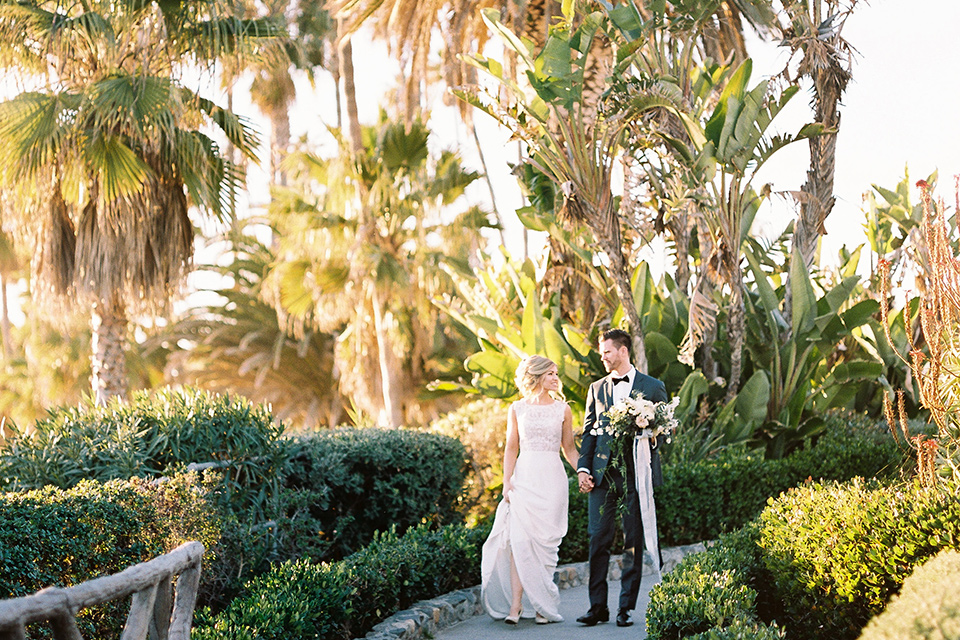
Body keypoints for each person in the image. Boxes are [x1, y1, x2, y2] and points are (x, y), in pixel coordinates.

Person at [576, 328, 667, 628]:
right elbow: (589, 431)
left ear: (623, 351)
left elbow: (665, 434)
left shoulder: (653, 387)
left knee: (632, 542)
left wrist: (650, 436)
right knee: (597, 539)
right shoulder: (596, 388)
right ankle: (597, 608)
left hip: (635, 476)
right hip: (602, 478)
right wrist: (583, 469)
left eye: (607, 352)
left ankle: (624, 609)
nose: (602, 357)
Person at [481, 355, 580, 625]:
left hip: (552, 479)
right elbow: (511, 447)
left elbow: (569, 449)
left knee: (546, 545)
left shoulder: (563, 410)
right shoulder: (517, 408)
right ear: (536, 376)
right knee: (520, 544)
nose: (555, 377)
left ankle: (541, 606)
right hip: (524, 478)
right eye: (550, 373)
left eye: (556, 373)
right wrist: (507, 480)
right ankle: (515, 606)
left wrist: (583, 471)